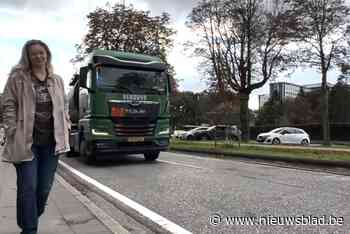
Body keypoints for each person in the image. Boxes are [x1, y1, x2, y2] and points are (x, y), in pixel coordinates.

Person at [1, 39, 71, 234]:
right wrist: (11, 129)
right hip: (26, 143)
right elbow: (8, 104)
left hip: (51, 144)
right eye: (34, 54)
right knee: (28, 188)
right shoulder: (17, 78)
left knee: (43, 190)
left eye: (42, 53)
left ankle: (27, 221)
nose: (39, 56)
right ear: (28, 57)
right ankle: (30, 229)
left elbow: (63, 104)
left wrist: (66, 122)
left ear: (47, 54)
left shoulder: (56, 79)